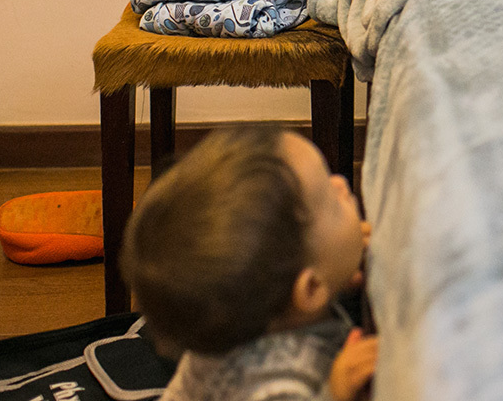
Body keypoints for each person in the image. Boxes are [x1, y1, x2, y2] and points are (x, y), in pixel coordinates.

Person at [120, 126, 377, 401]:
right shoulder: (274, 387)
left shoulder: (235, 322)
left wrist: (335, 270)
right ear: (311, 289)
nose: (340, 183)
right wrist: (335, 393)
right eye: (331, 201)